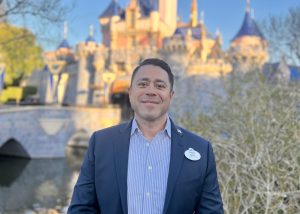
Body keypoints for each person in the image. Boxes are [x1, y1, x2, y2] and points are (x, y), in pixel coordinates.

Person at [68, 58, 223, 214]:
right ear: (130, 92)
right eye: (143, 84)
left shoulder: (201, 150)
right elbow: (81, 209)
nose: (151, 91)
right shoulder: (101, 144)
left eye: (160, 86)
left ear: (171, 95)